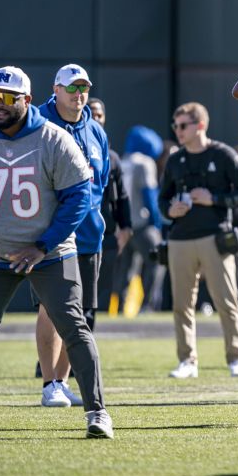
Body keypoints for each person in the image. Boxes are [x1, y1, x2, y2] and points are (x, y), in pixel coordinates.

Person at [0, 66, 113, 439]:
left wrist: (43, 245)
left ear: (26, 99)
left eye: (8, 98)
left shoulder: (54, 139)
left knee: (74, 326)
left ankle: (97, 412)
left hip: (50, 253)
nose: (0, 104)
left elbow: (79, 197)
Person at [33, 65, 113, 408]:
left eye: (83, 88)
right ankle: (49, 381)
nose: (78, 94)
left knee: (81, 312)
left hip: (90, 234)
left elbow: (102, 181)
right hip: (51, 235)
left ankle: (62, 382)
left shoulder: (96, 131)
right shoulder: (38, 124)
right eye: (71, 88)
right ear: (56, 89)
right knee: (51, 308)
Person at [160, 102, 238, 379]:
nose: (178, 131)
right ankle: (187, 360)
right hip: (180, 239)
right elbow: (162, 199)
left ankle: (236, 358)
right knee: (181, 305)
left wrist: (214, 199)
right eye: (175, 126)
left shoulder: (223, 154)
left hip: (215, 237)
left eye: (183, 125)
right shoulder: (175, 160)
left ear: (200, 125)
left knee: (227, 302)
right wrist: (170, 210)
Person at [87, 98, 133, 314]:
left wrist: (126, 227)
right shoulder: (74, 148)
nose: (96, 118)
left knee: (104, 288)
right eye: (92, 113)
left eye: (100, 115)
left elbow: (122, 196)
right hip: (83, 232)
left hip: (108, 232)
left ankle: (100, 334)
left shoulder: (111, 157)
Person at [117, 125, 167, 313]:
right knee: (158, 261)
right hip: (142, 224)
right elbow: (150, 197)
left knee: (127, 270)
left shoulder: (122, 161)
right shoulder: (145, 163)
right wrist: (156, 223)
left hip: (124, 226)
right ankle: (149, 306)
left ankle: (120, 308)